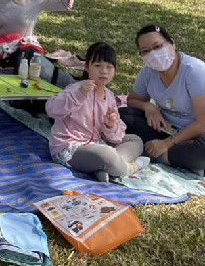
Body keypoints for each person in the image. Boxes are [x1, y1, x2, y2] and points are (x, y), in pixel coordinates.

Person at [122, 25, 205, 177]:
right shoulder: (148, 71)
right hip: (167, 130)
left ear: (172, 44)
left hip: (202, 137)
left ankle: (159, 154)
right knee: (123, 116)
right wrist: (148, 106)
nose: (153, 54)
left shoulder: (196, 72)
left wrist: (166, 144)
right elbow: (133, 100)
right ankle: (182, 159)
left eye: (157, 46)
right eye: (146, 51)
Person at [45, 42, 149, 183]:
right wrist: (79, 96)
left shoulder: (110, 96)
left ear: (114, 71)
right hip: (71, 147)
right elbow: (51, 110)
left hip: (98, 144)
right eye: (98, 66)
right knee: (107, 154)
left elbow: (116, 138)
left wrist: (110, 126)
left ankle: (103, 168)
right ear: (87, 67)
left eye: (109, 67)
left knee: (135, 140)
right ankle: (129, 168)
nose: (104, 71)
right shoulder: (76, 89)